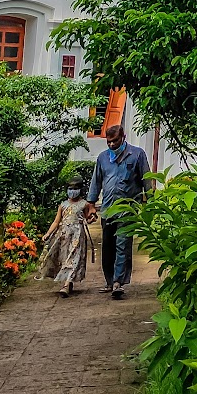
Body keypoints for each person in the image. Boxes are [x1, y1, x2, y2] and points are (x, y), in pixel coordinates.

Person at [85, 123, 150, 299]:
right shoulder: (103, 158)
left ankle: (118, 283)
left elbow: (147, 182)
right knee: (107, 247)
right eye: (109, 142)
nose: (112, 145)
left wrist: (150, 206)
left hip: (128, 211)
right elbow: (96, 182)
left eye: (115, 141)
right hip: (107, 210)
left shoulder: (137, 155)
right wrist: (91, 204)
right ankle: (109, 280)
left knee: (123, 245)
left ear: (123, 138)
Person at [39, 182, 93, 296]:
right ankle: (67, 281)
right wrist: (48, 233)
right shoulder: (63, 205)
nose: (72, 191)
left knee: (74, 258)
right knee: (64, 258)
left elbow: (88, 218)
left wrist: (91, 218)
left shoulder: (84, 204)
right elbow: (56, 221)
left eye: (75, 188)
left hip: (78, 235)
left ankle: (66, 285)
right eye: (70, 188)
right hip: (64, 235)